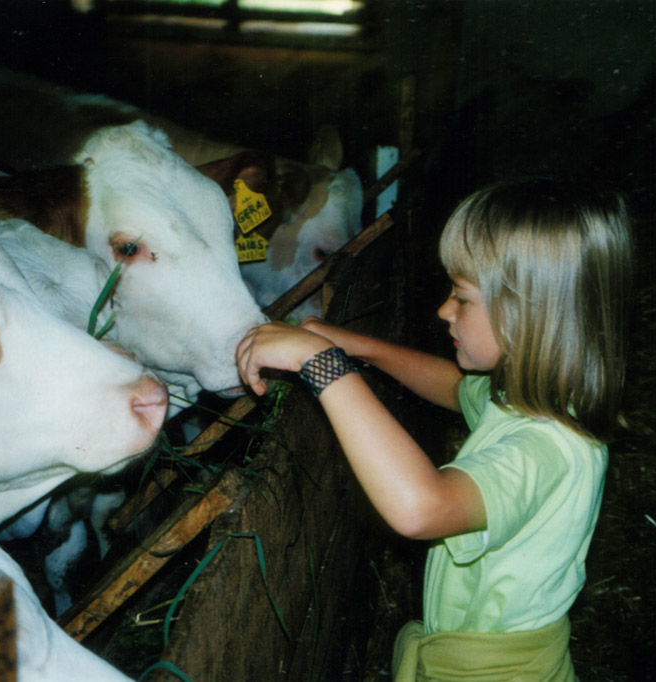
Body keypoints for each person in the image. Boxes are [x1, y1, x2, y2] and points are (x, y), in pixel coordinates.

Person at [235, 178, 633, 682]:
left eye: (462, 297)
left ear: (529, 313)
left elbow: (420, 508)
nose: (445, 309)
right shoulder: (527, 399)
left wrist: (322, 366)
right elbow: (451, 385)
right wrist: (358, 347)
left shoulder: (547, 447)